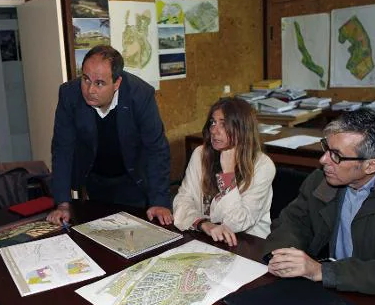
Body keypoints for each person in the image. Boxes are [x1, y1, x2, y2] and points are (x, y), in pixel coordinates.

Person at [264, 108, 375, 297]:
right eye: (326, 148)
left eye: (336, 155)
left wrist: (323, 271)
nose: (323, 160)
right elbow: (293, 221)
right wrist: (282, 255)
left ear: (371, 165)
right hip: (334, 288)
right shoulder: (324, 179)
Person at [47, 45, 172, 225]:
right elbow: (62, 149)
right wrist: (62, 204)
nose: (90, 90)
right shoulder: (70, 95)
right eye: (85, 79)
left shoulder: (140, 95)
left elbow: (156, 150)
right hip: (94, 180)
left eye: (99, 83)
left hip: (133, 179)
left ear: (117, 83)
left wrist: (159, 202)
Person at [173, 98, 276, 245]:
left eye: (223, 124)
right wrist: (204, 224)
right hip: (207, 238)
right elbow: (183, 199)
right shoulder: (201, 154)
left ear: (242, 129)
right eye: (213, 123)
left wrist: (228, 175)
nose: (214, 131)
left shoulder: (262, 165)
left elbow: (237, 223)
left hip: (247, 244)